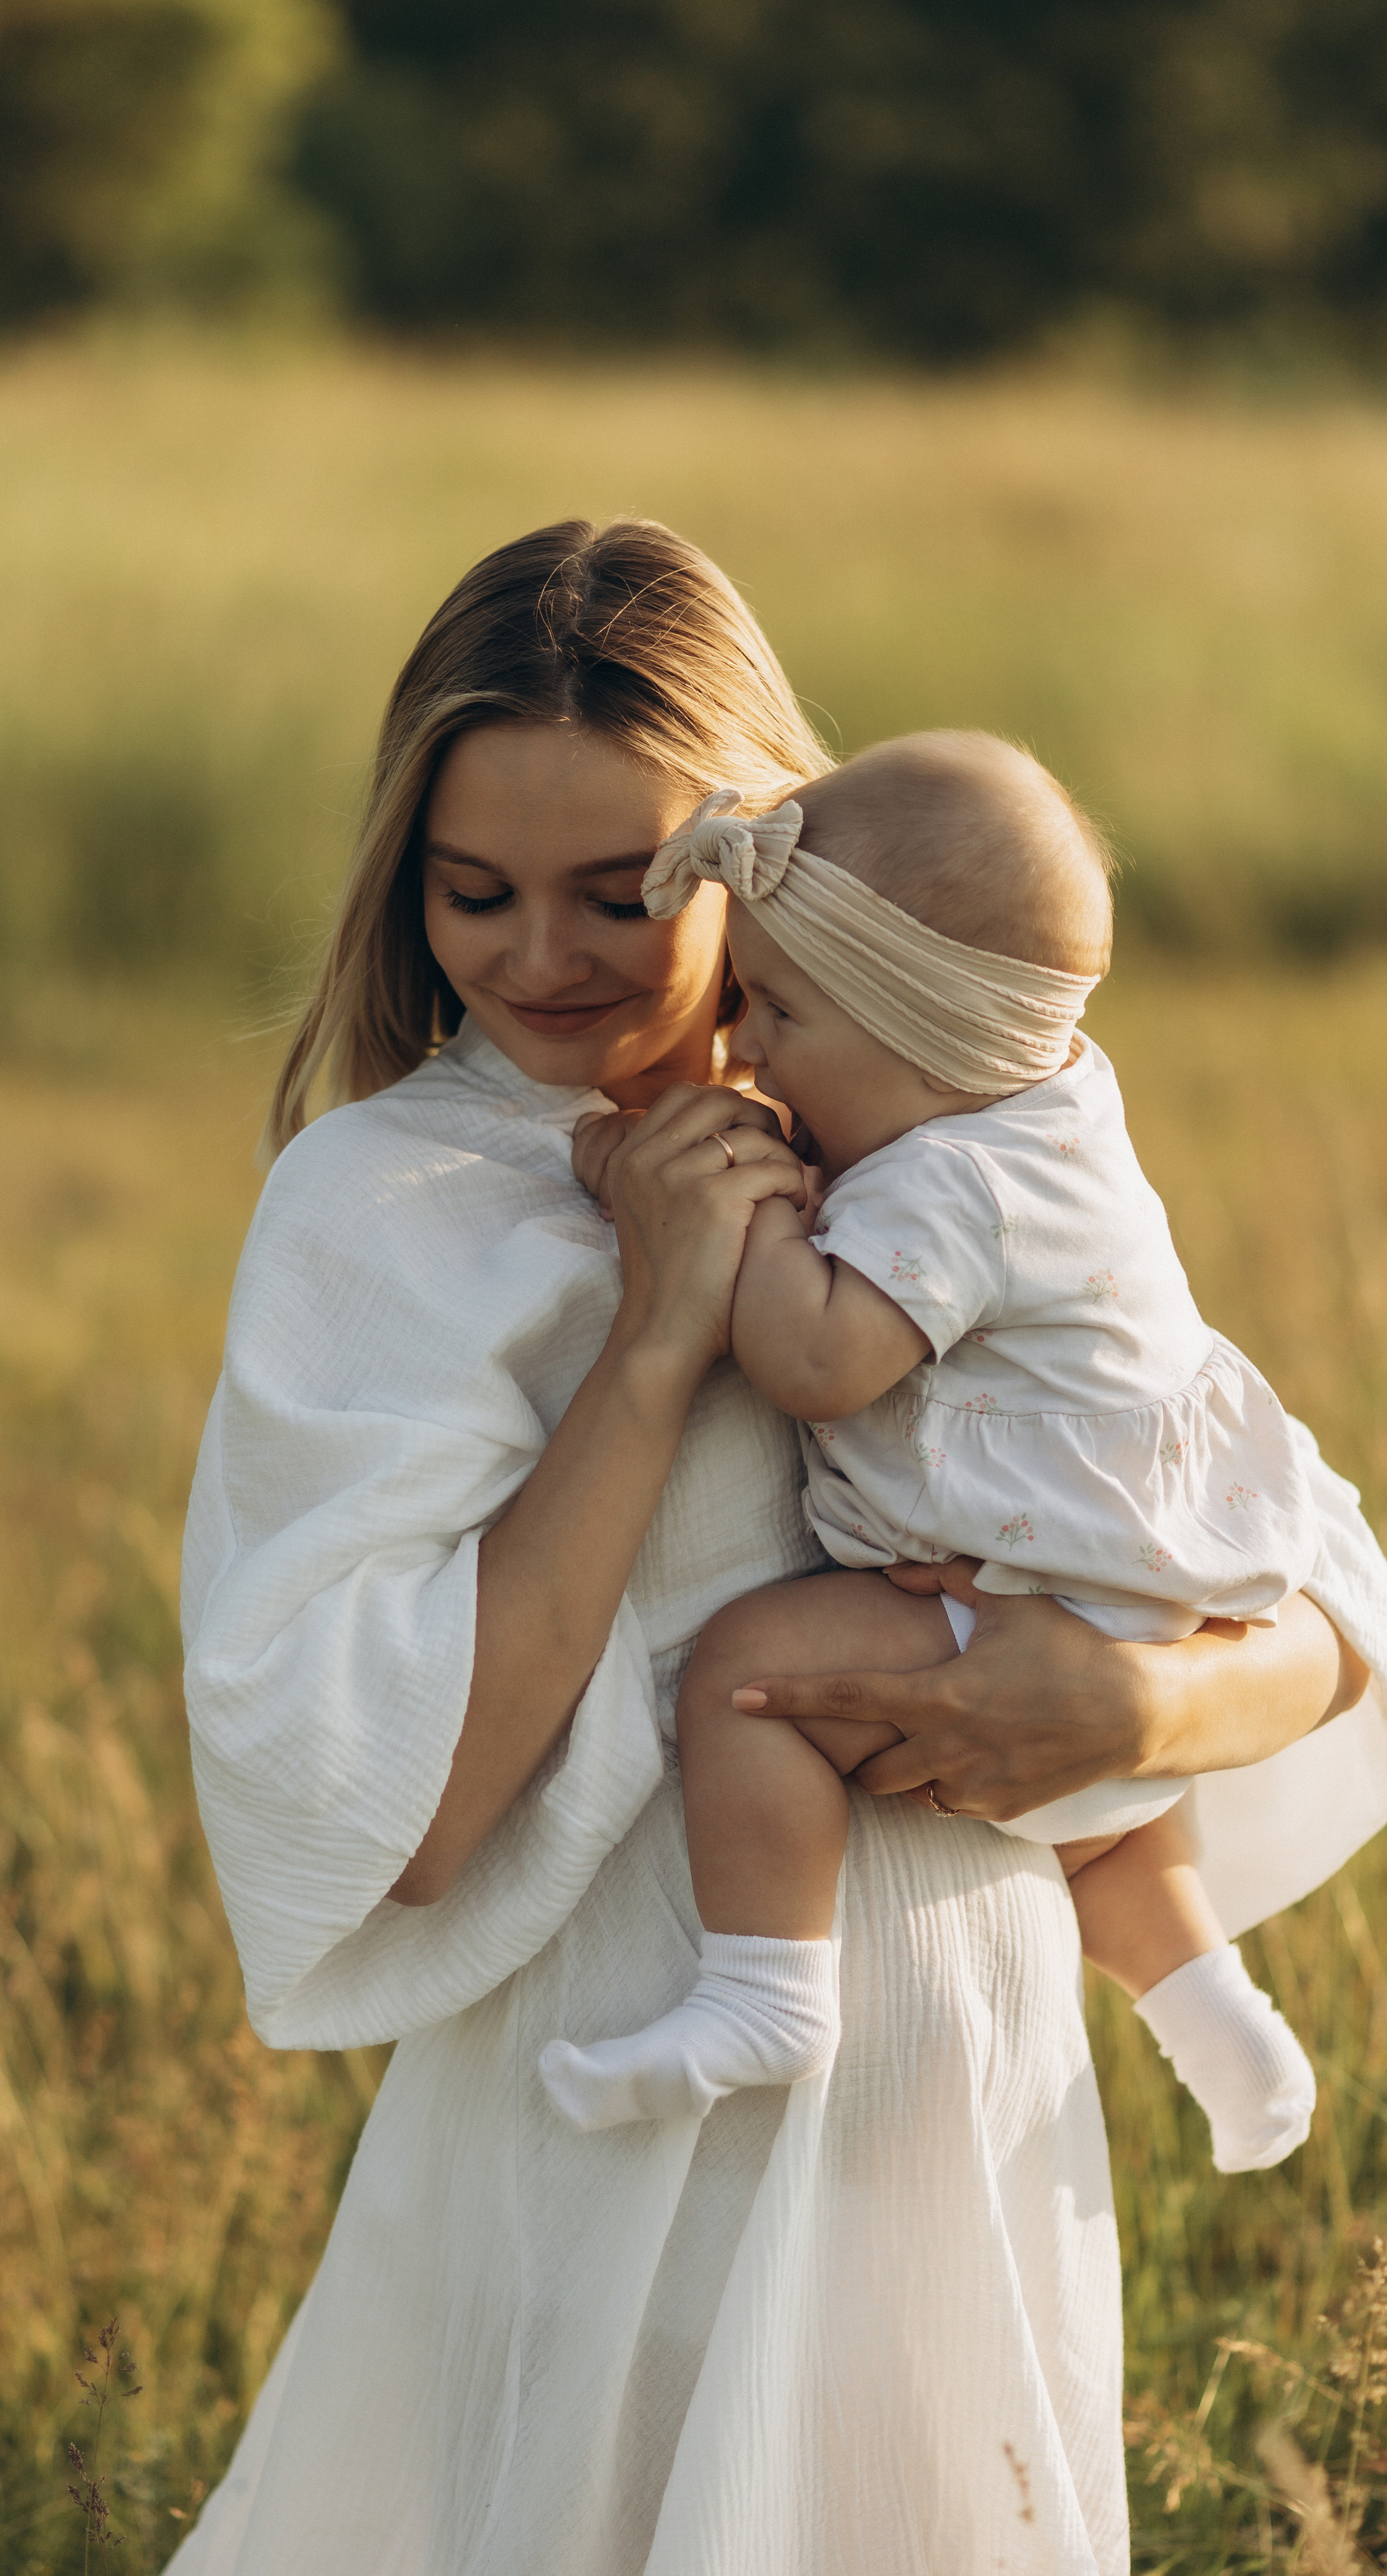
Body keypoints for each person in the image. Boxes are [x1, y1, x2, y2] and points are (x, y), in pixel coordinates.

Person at [169, 519, 1386, 2576]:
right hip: (622, 2102)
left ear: (763, 860)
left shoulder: (933, 1148)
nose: (542, 959)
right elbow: (408, 1808)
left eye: (620, 892)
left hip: (955, 2091)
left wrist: (1138, 1703)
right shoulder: (378, 1214)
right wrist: (658, 1337)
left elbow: (1318, 1572)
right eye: (473, 893)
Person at [539, 734, 1322, 2174]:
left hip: (1032, 1594)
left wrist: (743, 1204)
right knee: (1105, 1835)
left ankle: (765, 1988)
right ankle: (1209, 2004)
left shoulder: (948, 1185)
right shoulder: (1057, 1110)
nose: (747, 1048)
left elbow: (815, 1362)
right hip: (1139, 1586)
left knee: (747, 1676)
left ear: (923, 1039)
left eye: (779, 1011)